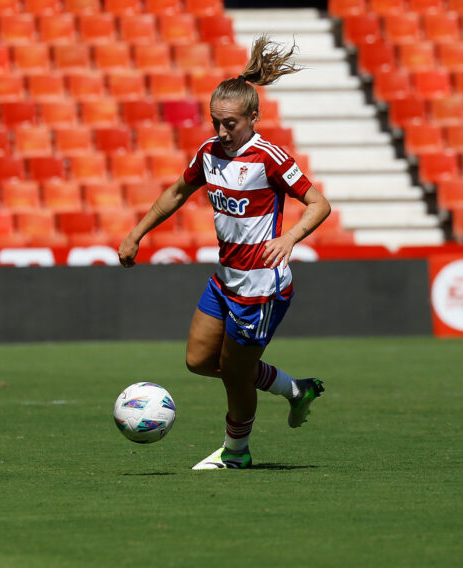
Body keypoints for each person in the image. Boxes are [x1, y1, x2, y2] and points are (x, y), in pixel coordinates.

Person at [118, 37, 331, 470]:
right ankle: (295, 390)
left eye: (230, 123)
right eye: (216, 121)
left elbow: (319, 204)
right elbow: (179, 190)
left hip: (260, 288)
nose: (221, 131)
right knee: (198, 360)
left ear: (254, 117)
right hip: (225, 279)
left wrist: (289, 239)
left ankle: (236, 452)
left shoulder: (269, 157)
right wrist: (136, 233)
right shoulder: (209, 153)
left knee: (235, 374)